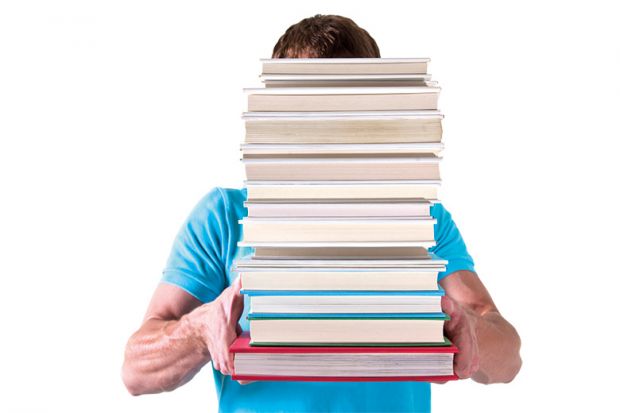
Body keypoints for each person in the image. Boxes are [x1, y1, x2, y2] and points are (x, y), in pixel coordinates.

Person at [122, 14, 522, 413]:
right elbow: (136, 370)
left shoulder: (421, 221)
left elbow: (508, 355)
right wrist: (199, 328)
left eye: (346, 107)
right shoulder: (223, 216)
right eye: (309, 107)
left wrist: (473, 334)